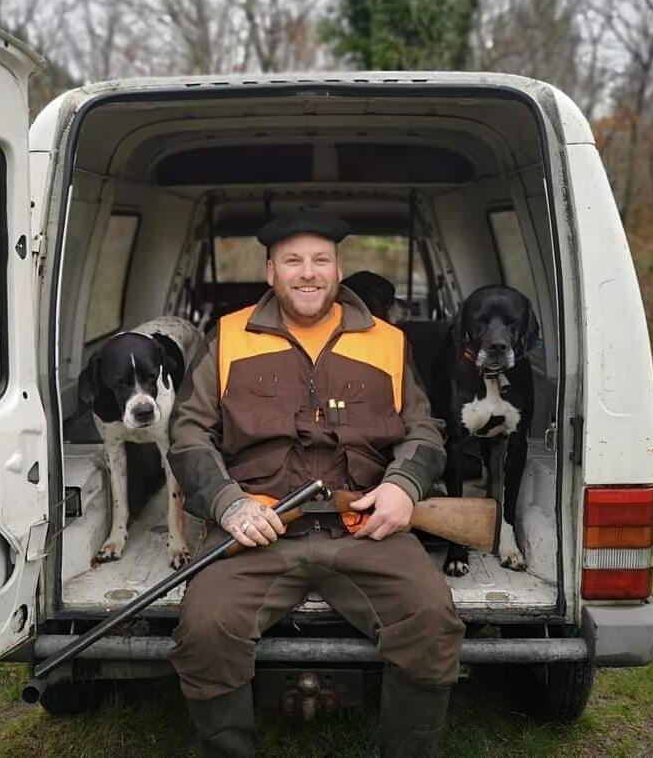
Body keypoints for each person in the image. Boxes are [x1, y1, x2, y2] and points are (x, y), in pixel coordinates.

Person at [168, 209, 465, 757]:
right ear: (270, 271)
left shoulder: (388, 341)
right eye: (293, 261)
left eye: (320, 260)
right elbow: (187, 434)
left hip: (364, 529)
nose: (309, 273)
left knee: (432, 621)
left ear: (338, 268)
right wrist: (228, 504)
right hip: (258, 529)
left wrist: (404, 486)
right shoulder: (228, 337)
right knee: (205, 629)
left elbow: (425, 429)